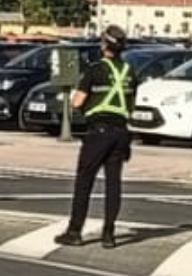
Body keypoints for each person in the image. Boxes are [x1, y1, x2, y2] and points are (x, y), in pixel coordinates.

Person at [57, 25, 139, 249]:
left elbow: (78, 102)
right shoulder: (130, 71)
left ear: (104, 45)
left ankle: (74, 231)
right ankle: (109, 234)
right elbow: (131, 104)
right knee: (113, 183)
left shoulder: (95, 70)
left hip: (99, 131)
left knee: (85, 180)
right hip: (121, 131)